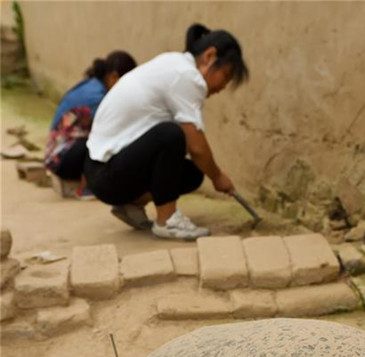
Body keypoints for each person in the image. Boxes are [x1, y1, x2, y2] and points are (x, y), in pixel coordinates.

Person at [84, 24, 249, 239]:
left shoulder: (174, 64)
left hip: (102, 170)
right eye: (225, 76)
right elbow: (197, 146)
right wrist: (218, 177)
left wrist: (211, 172)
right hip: (106, 173)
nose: (222, 87)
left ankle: (131, 205)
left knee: (191, 173)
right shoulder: (187, 76)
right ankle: (167, 221)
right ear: (210, 57)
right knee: (170, 135)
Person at [44, 52, 137, 185]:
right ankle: (88, 186)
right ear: (114, 77)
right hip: (61, 160)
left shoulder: (93, 86)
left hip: (57, 156)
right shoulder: (96, 97)